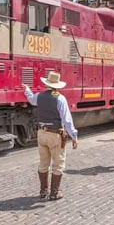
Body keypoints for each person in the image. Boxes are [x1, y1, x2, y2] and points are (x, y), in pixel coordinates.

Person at [23, 71, 79, 201]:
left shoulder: (39, 96)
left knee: (43, 163)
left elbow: (31, 99)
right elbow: (67, 120)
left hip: (41, 133)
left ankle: (43, 191)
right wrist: (74, 137)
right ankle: (54, 192)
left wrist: (27, 90)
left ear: (47, 83)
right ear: (58, 85)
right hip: (55, 134)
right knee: (58, 163)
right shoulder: (60, 98)